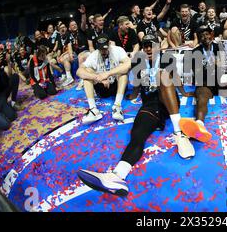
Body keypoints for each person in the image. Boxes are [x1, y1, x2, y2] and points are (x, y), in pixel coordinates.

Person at [77, 35, 200, 195]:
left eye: (151, 45)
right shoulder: (138, 61)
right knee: (137, 134)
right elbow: (136, 83)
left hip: (167, 101)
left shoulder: (167, 58)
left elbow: (174, 78)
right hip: (150, 104)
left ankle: (179, 133)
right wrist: (133, 95)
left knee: (162, 75)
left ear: (157, 45)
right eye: (145, 45)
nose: (148, 48)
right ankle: (117, 176)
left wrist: (184, 93)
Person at [76, 34, 131, 124]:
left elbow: (128, 64)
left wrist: (108, 73)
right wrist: (97, 77)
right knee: (87, 72)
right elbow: (79, 71)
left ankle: (117, 106)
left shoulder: (118, 50)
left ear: (109, 44)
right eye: (101, 49)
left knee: (123, 70)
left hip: (116, 84)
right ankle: (93, 110)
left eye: (105, 48)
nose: (103, 51)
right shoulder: (94, 55)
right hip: (103, 87)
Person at [0, 40, 21, 120]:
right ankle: (1, 107)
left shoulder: (2, 59)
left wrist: (8, 62)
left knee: (15, 76)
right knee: (13, 116)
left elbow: (9, 75)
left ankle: (13, 101)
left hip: (5, 89)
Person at [56, 23, 75, 87]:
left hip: (73, 52)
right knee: (60, 59)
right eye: (61, 28)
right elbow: (59, 49)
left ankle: (69, 77)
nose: (62, 29)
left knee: (65, 58)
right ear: (59, 30)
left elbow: (69, 47)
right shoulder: (61, 37)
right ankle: (65, 74)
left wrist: (63, 55)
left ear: (66, 28)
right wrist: (58, 56)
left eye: (64, 27)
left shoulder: (68, 35)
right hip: (66, 53)